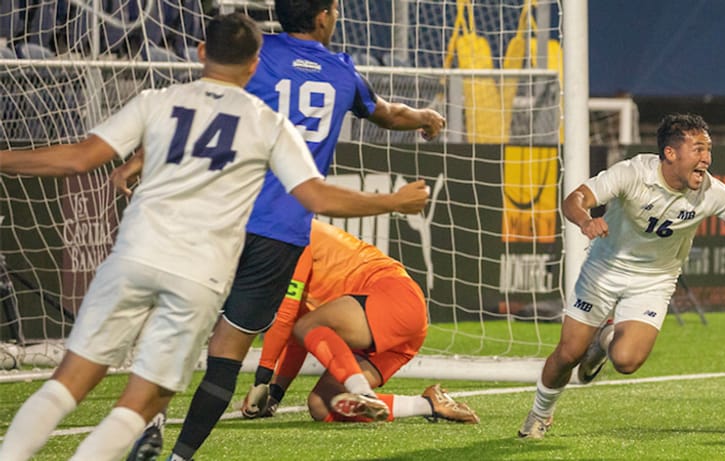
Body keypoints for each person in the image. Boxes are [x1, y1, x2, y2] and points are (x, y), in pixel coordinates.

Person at [0, 13, 429, 461]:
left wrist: (136, 159)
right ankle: (176, 452)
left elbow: (80, 158)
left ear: (202, 51)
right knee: (176, 381)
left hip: (154, 247)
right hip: (228, 258)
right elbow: (315, 192)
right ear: (252, 64)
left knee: (68, 382)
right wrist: (393, 201)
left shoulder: (158, 100)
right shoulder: (270, 123)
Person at [113, 1, 446, 459]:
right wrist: (425, 118)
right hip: (283, 234)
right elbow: (388, 114)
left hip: (222, 215)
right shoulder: (343, 74)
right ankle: (179, 457)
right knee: (227, 354)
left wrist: (141, 159)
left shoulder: (258, 53)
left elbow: (204, 103)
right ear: (326, 16)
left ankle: (149, 423)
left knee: (172, 323)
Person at [517, 113, 725, 439]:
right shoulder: (633, 173)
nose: (706, 159)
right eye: (698, 150)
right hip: (605, 268)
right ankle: (539, 415)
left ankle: (604, 340)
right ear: (670, 154)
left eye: (708, 150)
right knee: (569, 354)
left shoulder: (713, 193)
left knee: (627, 362)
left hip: (655, 279)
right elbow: (575, 199)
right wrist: (586, 221)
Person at [236, 220, 478, 424]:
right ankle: (428, 404)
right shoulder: (274, 239)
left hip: (395, 297)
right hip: (397, 335)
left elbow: (289, 316)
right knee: (323, 404)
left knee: (305, 327)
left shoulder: (291, 233)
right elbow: (298, 336)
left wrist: (262, 380)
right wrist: (275, 395)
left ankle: (362, 391)